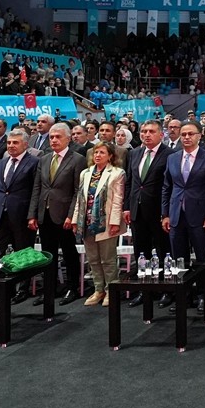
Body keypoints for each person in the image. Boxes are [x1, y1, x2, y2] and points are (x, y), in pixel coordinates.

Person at [29, 123, 87, 306]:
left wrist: (72, 215)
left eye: (57, 137)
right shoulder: (44, 159)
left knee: (69, 252)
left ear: (68, 139)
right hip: (44, 213)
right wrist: (32, 214)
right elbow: (37, 188)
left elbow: (79, 191)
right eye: (51, 137)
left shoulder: (77, 159)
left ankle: (72, 287)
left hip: (65, 214)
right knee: (48, 253)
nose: (53, 140)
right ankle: (50, 288)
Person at [161, 122, 205, 298]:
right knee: (179, 258)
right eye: (184, 134)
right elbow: (166, 187)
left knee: (202, 258)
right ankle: (183, 295)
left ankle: (204, 296)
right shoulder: (172, 158)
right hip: (175, 215)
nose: (186, 137)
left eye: (190, 134)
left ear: (199, 136)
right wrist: (164, 214)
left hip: (200, 215)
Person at [124, 120, 172, 307]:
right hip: (137, 210)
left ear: (161, 135)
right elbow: (130, 182)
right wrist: (127, 207)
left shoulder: (170, 155)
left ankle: (166, 290)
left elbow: (170, 186)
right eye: (144, 131)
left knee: (164, 252)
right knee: (141, 252)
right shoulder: (134, 153)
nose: (146, 134)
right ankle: (145, 290)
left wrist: (166, 212)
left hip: (159, 211)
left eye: (151, 131)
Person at [71, 142, 127, 307]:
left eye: (102, 152)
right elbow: (80, 199)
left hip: (106, 221)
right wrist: (75, 220)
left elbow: (118, 200)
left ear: (110, 155)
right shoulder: (85, 173)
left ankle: (112, 290)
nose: (97, 155)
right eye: (96, 152)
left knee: (107, 259)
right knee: (93, 259)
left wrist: (115, 222)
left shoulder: (117, 173)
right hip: (86, 221)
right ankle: (98, 289)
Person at [0, 130, 39, 300]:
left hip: (22, 215)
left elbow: (35, 192)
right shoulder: (0, 163)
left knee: (23, 252)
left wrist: (32, 215)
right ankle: (5, 288)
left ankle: (22, 289)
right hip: (1, 214)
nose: (11, 146)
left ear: (25, 144)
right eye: (9, 143)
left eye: (15, 143)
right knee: (3, 252)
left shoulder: (34, 163)